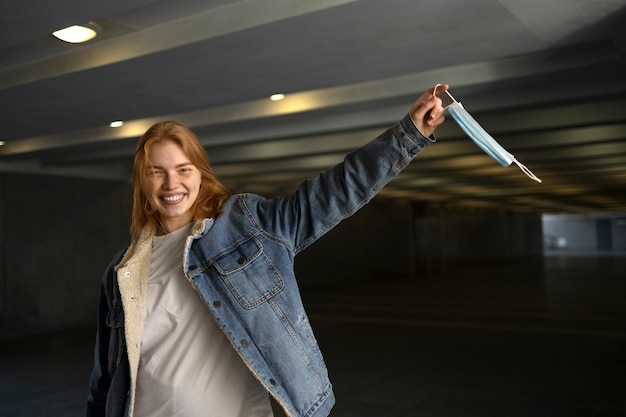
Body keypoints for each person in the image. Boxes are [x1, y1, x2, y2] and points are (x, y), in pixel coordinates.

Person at [85, 84, 448, 417]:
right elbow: (105, 382)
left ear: (201, 174)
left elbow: (334, 192)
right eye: (156, 172)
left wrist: (409, 134)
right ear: (142, 181)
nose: (171, 183)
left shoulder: (246, 225)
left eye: (183, 169)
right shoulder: (122, 271)